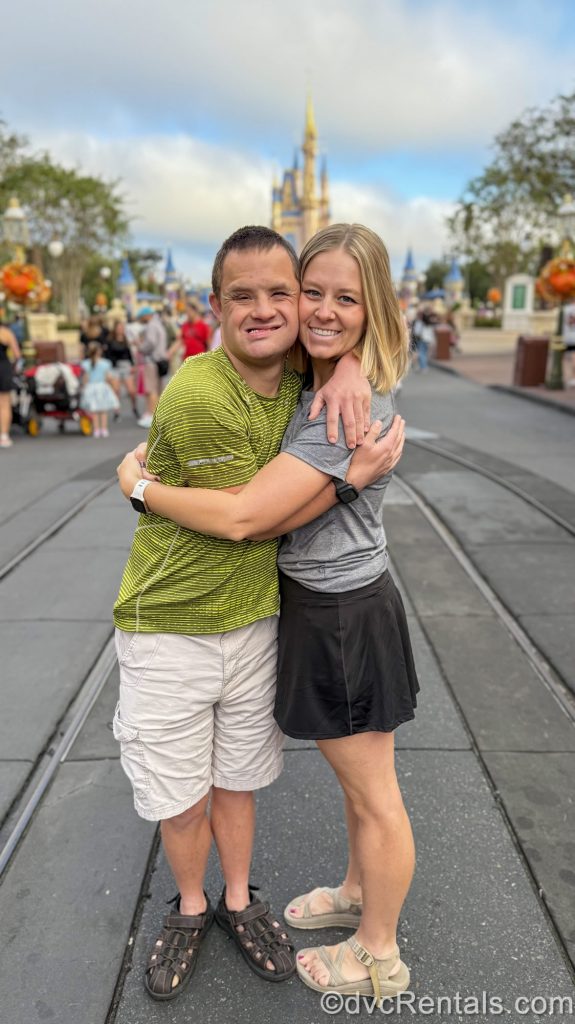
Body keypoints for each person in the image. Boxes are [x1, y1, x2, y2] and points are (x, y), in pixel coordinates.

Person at [117, 223, 417, 1004]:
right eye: (308, 292)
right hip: (311, 605)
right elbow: (278, 345)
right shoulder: (311, 375)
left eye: (342, 299)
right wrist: (345, 357)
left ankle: (377, 953)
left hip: (341, 609)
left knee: (373, 791)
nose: (314, 310)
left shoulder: (336, 405)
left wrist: (142, 490)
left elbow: (250, 517)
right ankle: (351, 892)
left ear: (372, 305)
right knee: (357, 790)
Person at [134, 306, 168, 428]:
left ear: (146, 315)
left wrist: (140, 347)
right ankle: (156, 415)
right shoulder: (159, 325)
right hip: (160, 360)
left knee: (151, 389)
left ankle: (151, 415)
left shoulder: (151, 326)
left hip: (151, 361)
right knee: (158, 388)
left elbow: (150, 343)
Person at [81, 341, 119, 438]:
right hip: (102, 387)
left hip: (91, 387)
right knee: (103, 410)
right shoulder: (105, 363)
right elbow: (108, 377)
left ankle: (97, 429)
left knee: (94, 410)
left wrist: (84, 388)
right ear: (99, 351)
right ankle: (104, 429)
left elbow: (86, 378)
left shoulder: (85, 364)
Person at [106, 320, 138, 418]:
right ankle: (117, 411)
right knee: (116, 390)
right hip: (115, 367)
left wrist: (133, 365)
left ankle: (134, 407)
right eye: (119, 327)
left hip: (126, 365)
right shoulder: (110, 340)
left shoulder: (126, 339)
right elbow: (107, 355)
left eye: (122, 327)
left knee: (131, 390)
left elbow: (129, 354)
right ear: (115, 329)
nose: (120, 329)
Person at [0, 316, 21, 448]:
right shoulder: (6, 332)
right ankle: (4, 435)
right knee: (4, 403)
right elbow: (17, 355)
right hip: (3, 368)